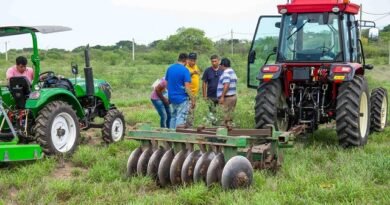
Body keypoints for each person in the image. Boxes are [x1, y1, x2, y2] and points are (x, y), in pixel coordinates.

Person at [165, 53, 195, 129]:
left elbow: (167, 85)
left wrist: (170, 96)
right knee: (180, 118)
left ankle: (171, 135)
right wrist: (193, 99)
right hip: (182, 99)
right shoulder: (185, 70)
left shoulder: (170, 68)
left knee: (173, 116)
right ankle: (177, 138)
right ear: (186, 60)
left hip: (172, 97)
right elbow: (187, 87)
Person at [202, 55, 223, 124]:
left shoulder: (222, 70)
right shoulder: (207, 70)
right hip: (210, 96)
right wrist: (204, 95)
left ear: (219, 61)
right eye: (212, 61)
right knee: (212, 113)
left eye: (215, 61)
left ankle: (220, 126)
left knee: (221, 112)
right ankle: (213, 126)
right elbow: (204, 83)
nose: (214, 63)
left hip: (220, 96)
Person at [217, 58, 238, 126]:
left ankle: (222, 134)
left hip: (227, 98)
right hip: (233, 97)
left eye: (220, 65)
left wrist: (222, 96)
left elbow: (227, 84)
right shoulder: (232, 72)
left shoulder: (226, 73)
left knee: (224, 118)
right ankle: (229, 132)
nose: (219, 66)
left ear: (223, 65)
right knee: (229, 118)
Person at [185, 52, 200, 127]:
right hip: (188, 94)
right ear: (188, 60)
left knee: (192, 112)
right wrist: (193, 73)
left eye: (194, 60)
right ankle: (186, 128)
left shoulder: (195, 66)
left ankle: (190, 127)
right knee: (188, 112)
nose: (193, 62)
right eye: (191, 60)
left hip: (195, 94)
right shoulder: (185, 67)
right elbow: (185, 77)